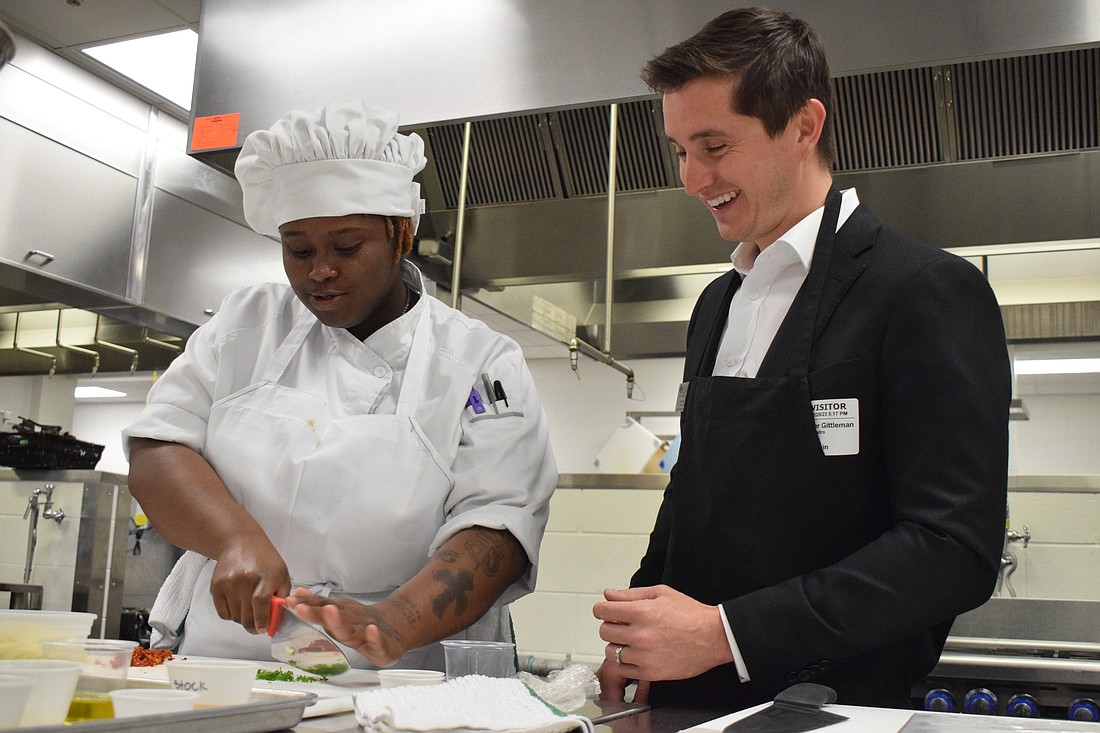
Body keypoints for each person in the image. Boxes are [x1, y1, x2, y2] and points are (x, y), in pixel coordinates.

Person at [593, 7, 1010, 713]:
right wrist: (633, 635)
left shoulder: (923, 290)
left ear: (804, 126)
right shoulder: (716, 306)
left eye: (715, 145)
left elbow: (953, 548)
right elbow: (689, 495)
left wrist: (728, 632)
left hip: (839, 708)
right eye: (679, 151)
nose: (693, 178)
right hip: (687, 707)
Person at [124, 100, 557, 671]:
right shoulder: (247, 325)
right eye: (298, 250)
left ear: (400, 234)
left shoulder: (479, 360)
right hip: (229, 663)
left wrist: (394, 621)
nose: (319, 270)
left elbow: (498, 525)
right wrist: (233, 539)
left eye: (347, 247)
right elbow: (160, 448)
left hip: (402, 673)